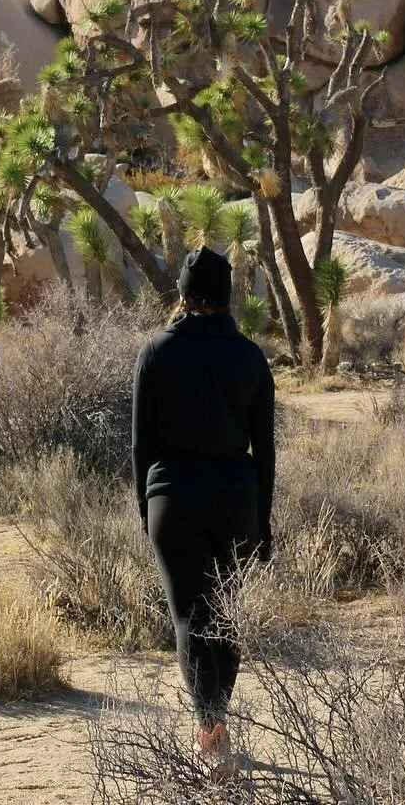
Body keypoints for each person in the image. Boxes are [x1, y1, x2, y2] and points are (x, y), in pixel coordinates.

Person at [131, 246, 275, 777]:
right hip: (237, 499)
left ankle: (210, 733)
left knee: (190, 617)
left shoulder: (156, 351)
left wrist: (144, 509)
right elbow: (265, 449)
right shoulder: (250, 357)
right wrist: (264, 520)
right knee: (226, 617)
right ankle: (215, 728)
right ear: (227, 295)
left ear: (183, 294)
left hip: (173, 499)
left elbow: (141, 446)